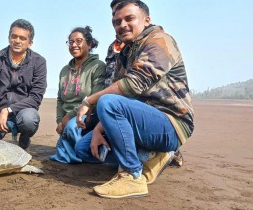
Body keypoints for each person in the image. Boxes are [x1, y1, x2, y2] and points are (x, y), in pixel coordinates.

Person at [75, 0, 194, 199]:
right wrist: (98, 128)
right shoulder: (126, 53)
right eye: (116, 21)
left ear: (146, 20)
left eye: (129, 18)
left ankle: (132, 176)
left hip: (171, 123)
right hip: (139, 120)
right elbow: (121, 95)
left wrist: (88, 101)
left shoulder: (160, 40)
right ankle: (152, 156)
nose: (122, 25)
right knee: (83, 149)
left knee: (106, 102)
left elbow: (133, 85)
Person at [0, 19, 47, 150]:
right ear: (9, 38)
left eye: (22, 38)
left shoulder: (39, 62)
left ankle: (24, 137)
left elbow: (35, 98)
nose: (17, 41)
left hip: (23, 112)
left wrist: (8, 110)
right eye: (14, 36)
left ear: (30, 43)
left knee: (30, 120)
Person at [49, 26, 106, 163]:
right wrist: (59, 120)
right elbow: (60, 100)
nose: (74, 45)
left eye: (79, 41)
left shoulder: (98, 66)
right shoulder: (64, 71)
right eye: (71, 42)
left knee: (71, 127)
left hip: (89, 114)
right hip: (67, 119)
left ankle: (80, 156)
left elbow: (95, 98)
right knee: (67, 127)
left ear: (89, 44)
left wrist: (68, 117)